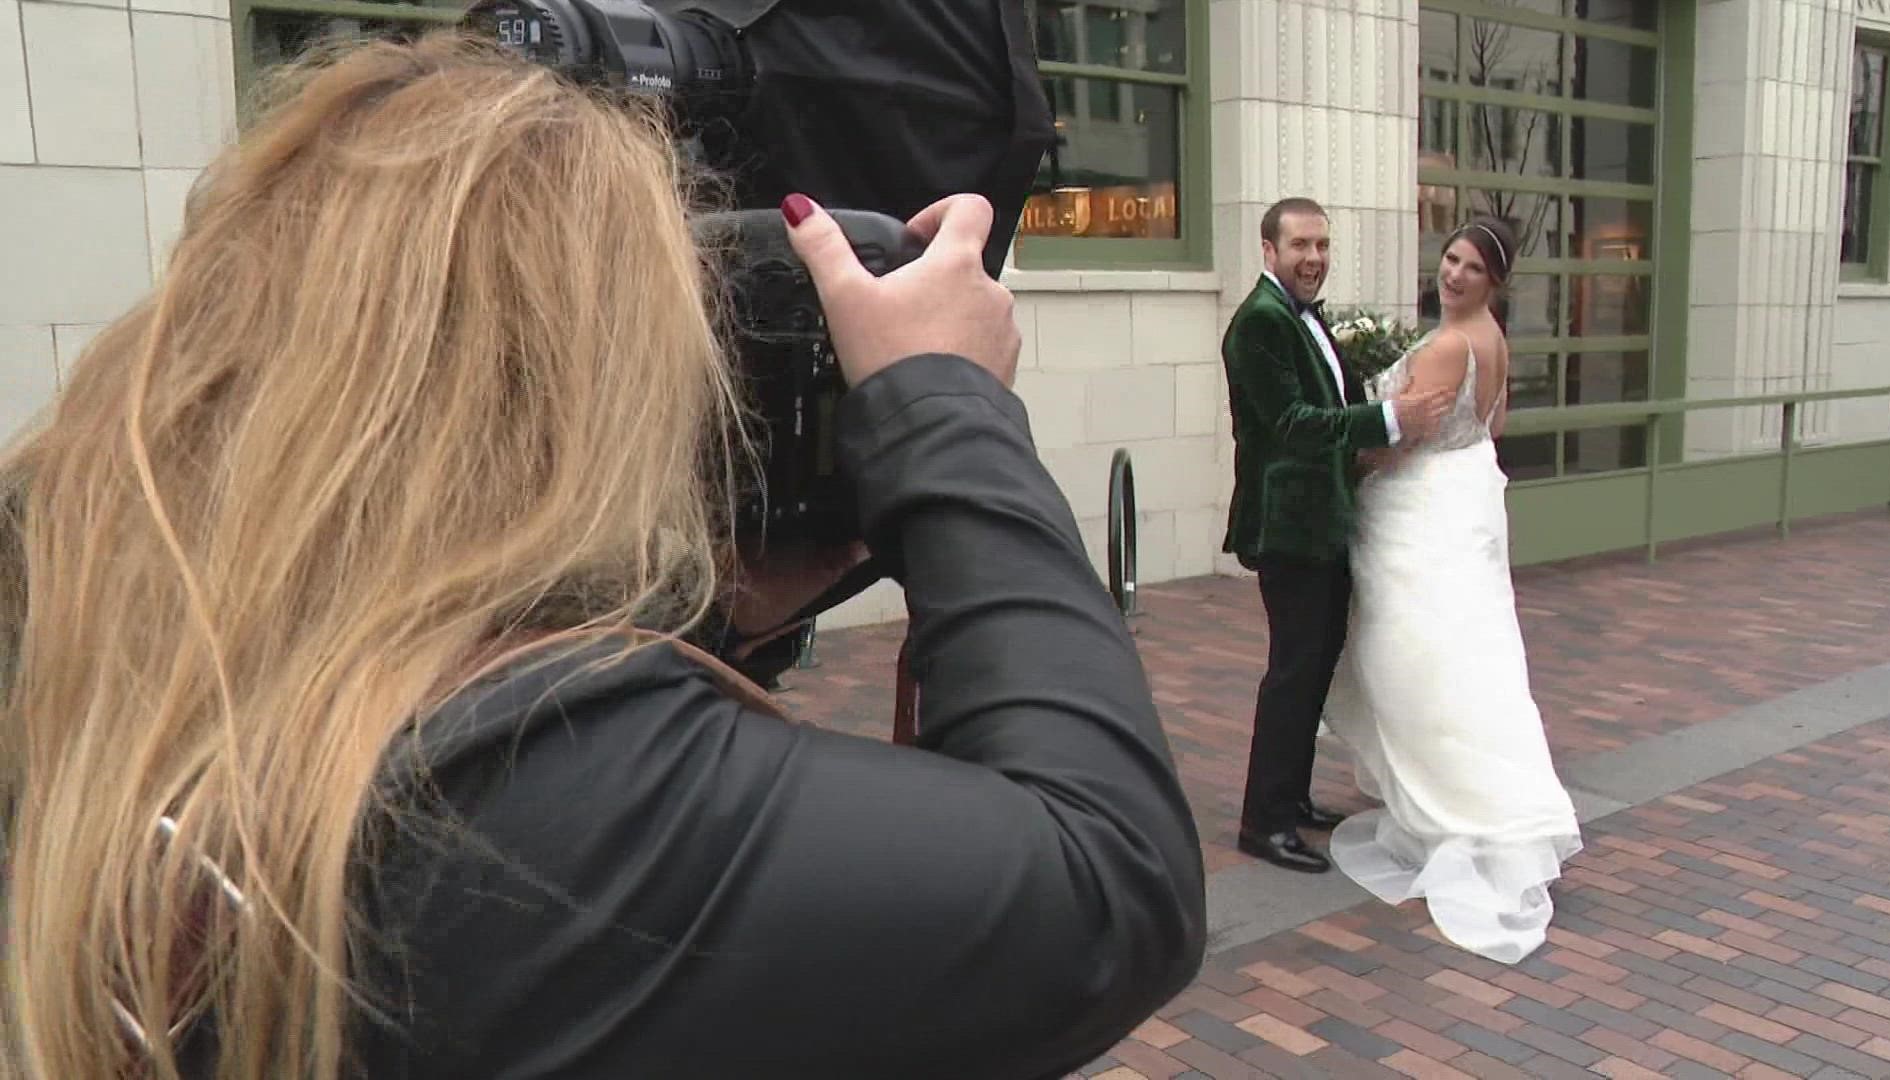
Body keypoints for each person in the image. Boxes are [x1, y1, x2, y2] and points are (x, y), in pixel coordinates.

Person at [0, 34, 1206, 1079]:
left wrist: (725, 615)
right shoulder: (510, 799)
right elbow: (1110, 879)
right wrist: (944, 406)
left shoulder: (71, 609)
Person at [1323, 217, 1583, 964]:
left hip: (1421, 513)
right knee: (1471, 652)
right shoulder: (1495, 340)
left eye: (1471, 267)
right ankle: (1487, 784)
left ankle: (1458, 801)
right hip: (1467, 503)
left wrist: (1352, 464)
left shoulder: (1447, 345)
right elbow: (1488, 427)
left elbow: (1403, 440)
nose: (1454, 274)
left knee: (1414, 657)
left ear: (1493, 281)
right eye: (1450, 258)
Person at [1220, 198, 1456, 875]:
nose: (1314, 258)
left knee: (1316, 667)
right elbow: (1294, 422)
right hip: (1287, 526)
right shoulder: (1260, 323)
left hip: (1322, 524)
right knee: (1293, 674)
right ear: (1268, 251)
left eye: (1322, 244)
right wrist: (1390, 418)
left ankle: (1290, 798)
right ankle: (1261, 823)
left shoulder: (1303, 316)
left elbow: (1327, 405)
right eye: (1300, 245)